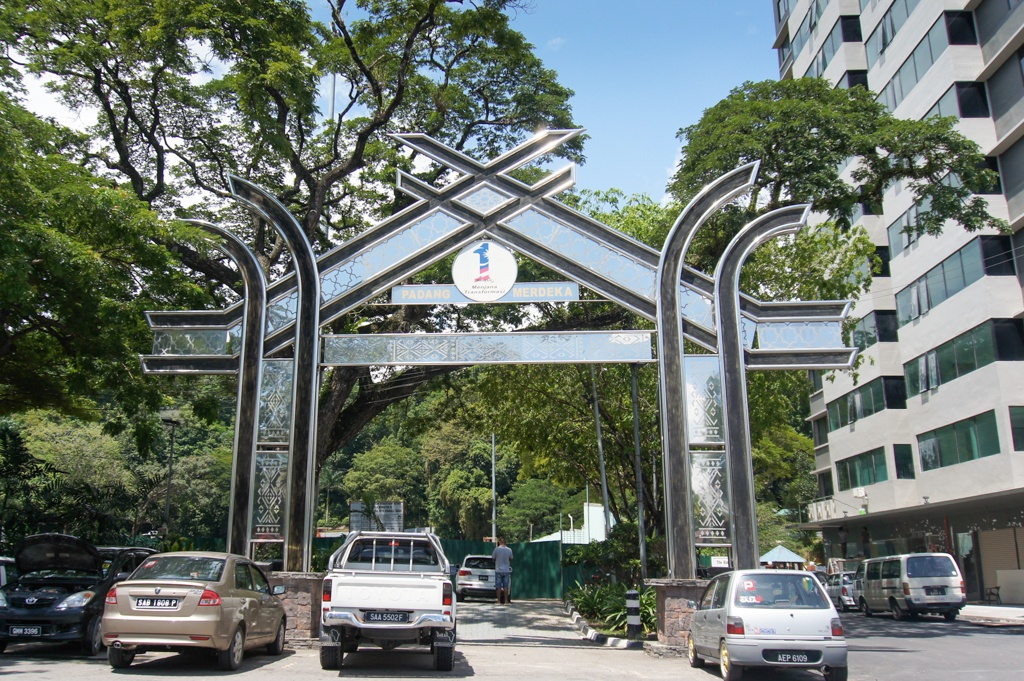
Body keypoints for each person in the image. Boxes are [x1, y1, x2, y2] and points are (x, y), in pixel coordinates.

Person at [492, 538, 513, 605]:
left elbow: (493, 558)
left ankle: (498, 601)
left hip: (498, 570)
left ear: (500, 542)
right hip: (506, 570)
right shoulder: (509, 550)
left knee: (498, 586)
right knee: (506, 586)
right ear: (505, 542)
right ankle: (506, 601)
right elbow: (511, 558)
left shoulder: (496, 549)